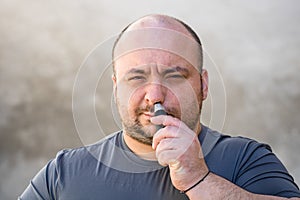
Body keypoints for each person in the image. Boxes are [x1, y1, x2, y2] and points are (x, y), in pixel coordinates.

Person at [19, 14, 300, 200]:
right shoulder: (64, 172)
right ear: (117, 87)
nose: (154, 96)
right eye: (136, 77)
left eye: (174, 76)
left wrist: (199, 180)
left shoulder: (246, 159)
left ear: (203, 86)